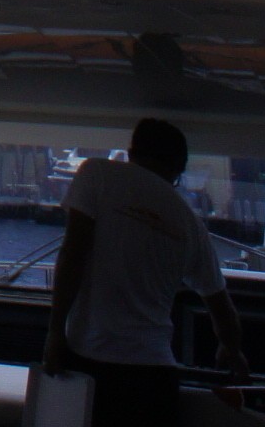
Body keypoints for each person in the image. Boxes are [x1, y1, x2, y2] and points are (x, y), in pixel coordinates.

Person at [43, 118, 250, 427]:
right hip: (154, 375)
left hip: (90, 360)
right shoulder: (190, 223)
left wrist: (55, 331)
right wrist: (232, 351)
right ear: (178, 168)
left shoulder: (97, 174)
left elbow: (73, 254)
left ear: (131, 152)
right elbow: (221, 307)